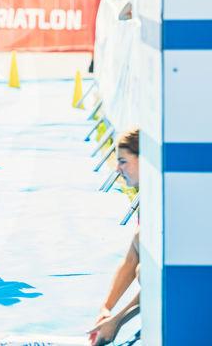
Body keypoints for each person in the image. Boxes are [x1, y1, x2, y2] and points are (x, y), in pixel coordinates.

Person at [89, 129, 141, 346]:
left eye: (123, 161)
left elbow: (163, 281)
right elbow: (131, 260)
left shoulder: (164, 204)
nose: (117, 169)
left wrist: (118, 320)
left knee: (143, 271)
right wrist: (106, 309)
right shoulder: (148, 198)